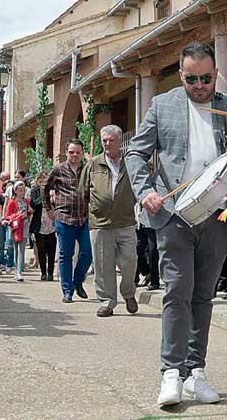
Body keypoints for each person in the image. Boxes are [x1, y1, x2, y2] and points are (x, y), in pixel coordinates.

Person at [126, 41, 227, 408]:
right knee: (177, 291)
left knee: (203, 295)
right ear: (181, 75)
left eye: (207, 78)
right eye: (192, 78)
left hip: (217, 215)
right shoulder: (162, 105)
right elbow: (136, 151)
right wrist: (145, 190)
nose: (200, 85)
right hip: (174, 215)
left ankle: (196, 372)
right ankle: (171, 373)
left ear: (216, 74)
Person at [80, 125, 138, 317]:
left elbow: (140, 185)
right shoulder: (93, 164)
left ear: (120, 142)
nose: (106, 144)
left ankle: (128, 292)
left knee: (130, 261)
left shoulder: (130, 163)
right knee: (103, 265)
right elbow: (83, 192)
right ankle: (107, 301)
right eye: (104, 140)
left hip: (126, 221)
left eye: (111, 140)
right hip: (101, 223)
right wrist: (96, 209)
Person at [48, 139, 92, 303]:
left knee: (88, 251)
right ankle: (67, 290)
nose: (75, 155)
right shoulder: (57, 170)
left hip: (84, 217)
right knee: (66, 255)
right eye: (72, 152)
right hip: (64, 218)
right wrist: (48, 209)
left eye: (78, 152)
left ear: (82, 153)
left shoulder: (87, 169)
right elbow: (45, 188)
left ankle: (78, 281)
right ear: (66, 153)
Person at [2, 180, 30, 282]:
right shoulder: (12, 202)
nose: (22, 192)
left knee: (22, 249)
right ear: (15, 191)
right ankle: (16, 270)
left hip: (25, 225)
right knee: (15, 248)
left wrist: (29, 213)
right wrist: (17, 215)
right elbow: (7, 216)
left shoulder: (26, 201)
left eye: (24, 190)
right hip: (15, 226)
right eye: (20, 190)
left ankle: (19, 271)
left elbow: (29, 212)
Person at [33, 171, 57, 281]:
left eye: (45, 181)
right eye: (41, 181)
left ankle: (51, 273)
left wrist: (53, 200)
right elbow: (33, 204)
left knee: (51, 249)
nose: (43, 183)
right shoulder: (35, 191)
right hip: (40, 223)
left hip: (51, 222)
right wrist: (44, 198)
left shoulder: (53, 190)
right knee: (41, 249)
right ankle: (43, 272)